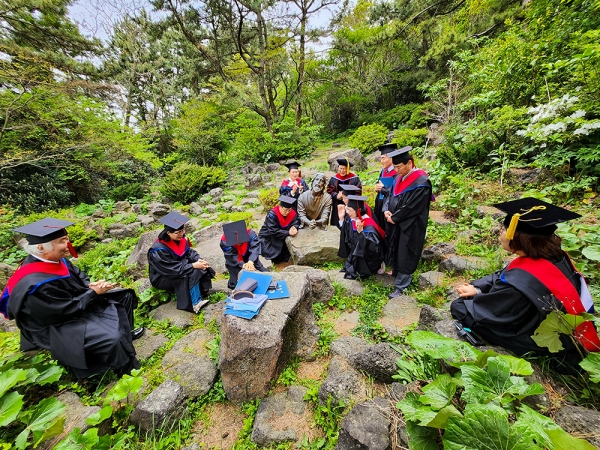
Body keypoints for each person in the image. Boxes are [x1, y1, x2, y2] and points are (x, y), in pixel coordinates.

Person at [450, 198, 599, 373]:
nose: (500, 231)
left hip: (544, 338)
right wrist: (478, 288)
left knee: (459, 307)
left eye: (505, 229)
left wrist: (477, 298)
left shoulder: (521, 281)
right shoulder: (556, 256)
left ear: (517, 236)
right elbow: (506, 274)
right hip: (561, 326)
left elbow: (492, 312)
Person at [0, 218, 143, 379]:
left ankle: (127, 335)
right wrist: (92, 294)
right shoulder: (33, 283)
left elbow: (80, 276)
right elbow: (60, 312)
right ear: (41, 247)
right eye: (62, 241)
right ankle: (127, 371)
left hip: (75, 302)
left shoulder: (55, 259)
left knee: (125, 295)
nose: (68, 245)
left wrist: (91, 286)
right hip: (55, 324)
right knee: (112, 337)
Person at [383, 147, 432, 298]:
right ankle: (396, 272)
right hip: (396, 222)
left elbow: (412, 207)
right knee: (396, 247)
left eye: (398, 167)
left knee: (406, 252)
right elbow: (390, 196)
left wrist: (395, 217)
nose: (396, 170)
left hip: (411, 225)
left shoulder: (422, 181)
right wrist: (386, 209)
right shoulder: (399, 178)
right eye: (395, 167)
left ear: (409, 163)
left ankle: (402, 286)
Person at [148, 212, 215, 313]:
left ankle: (202, 291)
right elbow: (170, 268)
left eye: (183, 230)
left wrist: (198, 259)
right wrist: (192, 265)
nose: (182, 234)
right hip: (163, 277)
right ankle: (195, 303)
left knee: (201, 266)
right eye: (178, 232)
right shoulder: (158, 249)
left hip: (179, 268)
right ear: (168, 233)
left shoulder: (181, 240)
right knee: (192, 271)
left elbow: (189, 252)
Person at [337, 195, 386, 280]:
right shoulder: (353, 220)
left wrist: (361, 233)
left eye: (350, 210)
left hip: (369, 260)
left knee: (355, 270)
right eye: (347, 209)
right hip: (356, 255)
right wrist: (341, 219)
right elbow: (348, 238)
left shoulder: (369, 225)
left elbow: (372, 248)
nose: (347, 212)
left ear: (358, 210)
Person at [220, 220, 268, 289]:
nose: (239, 244)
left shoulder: (250, 234)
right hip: (234, 263)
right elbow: (231, 256)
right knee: (236, 284)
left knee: (264, 274)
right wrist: (244, 265)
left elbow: (255, 248)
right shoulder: (225, 240)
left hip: (251, 257)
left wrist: (251, 261)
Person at [259, 195, 300, 263]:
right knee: (268, 252)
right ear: (280, 207)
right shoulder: (272, 215)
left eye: (289, 210)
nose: (287, 212)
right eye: (285, 210)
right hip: (270, 236)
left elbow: (296, 221)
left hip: (282, 236)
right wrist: (288, 233)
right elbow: (273, 230)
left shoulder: (292, 213)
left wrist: (294, 227)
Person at [327, 158, 362, 227]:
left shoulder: (354, 178)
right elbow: (329, 190)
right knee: (337, 225)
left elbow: (358, 191)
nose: (342, 171)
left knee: (349, 225)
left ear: (348, 169)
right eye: (340, 168)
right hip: (337, 206)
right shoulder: (334, 178)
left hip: (350, 206)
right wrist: (336, 195)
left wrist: (346, 196)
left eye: (344, 169)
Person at [373, 143, 398, 227]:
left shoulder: (397, 173)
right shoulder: (383, 171)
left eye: (383, 158)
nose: (381, 161)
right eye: (381, 158)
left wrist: (383, 189)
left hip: (388, 207)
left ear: (391, 157)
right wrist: (377, 187)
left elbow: (396, 193)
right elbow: (380, 183)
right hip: (380, 204)